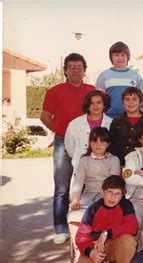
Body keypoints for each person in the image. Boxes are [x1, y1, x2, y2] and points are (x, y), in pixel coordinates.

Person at [40, 53, 95, 244]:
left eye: (79, 66)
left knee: (87, 186)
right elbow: (45, 116)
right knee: (62, 187)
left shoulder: (91, 90)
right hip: (63, 142)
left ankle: (85, 226)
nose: (75, 69)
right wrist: (61, 132)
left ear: (84, 69)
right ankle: (61, 228)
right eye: (71, 66)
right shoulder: (54, 91)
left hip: (87, 143)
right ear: (65, 70)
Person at [75, 175, 138, 263]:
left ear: (122, 195)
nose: (113, 197)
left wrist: (107, 233)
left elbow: (133, 227)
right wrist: (90, 252)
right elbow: (81, 236)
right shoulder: (93, 208)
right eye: (109, 192)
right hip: (96, 246)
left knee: (128, 240)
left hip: (115, 245)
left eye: (117, 193)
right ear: (102, 192)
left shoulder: (126, 205)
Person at [69, 127, 121, 213]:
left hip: (108, 194)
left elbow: (113, 184)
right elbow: (78, 182)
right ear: (89, 143)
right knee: (74, 212)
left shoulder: (114, 160)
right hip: (88, 193)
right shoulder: (84, 160)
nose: (98, 145)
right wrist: (75, 199)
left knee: (101, 212)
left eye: (102, 142)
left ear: (108, 144)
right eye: (94, 141)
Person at [65, 90, 113, 172]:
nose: (95, 106)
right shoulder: (75, 124)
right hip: (81, 168)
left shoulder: (112, 123)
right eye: (91, 103)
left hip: (105, 168)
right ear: (87, 105)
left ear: (104, 104)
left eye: (98, 102)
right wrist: (80, 158)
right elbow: (70, 146)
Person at [96, 41, 143, 119]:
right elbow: (99, 98)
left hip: (131, 116)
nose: (120, 58)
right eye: (116, 55)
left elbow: (142, 97)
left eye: (123, 55)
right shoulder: (104, 75)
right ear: (111, 57)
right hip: (109, 116)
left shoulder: (135, 76)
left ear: (127, 57)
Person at [109, 87, 143, 166]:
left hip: (140, 165)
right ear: (123, 103)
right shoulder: (116, 122)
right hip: (119, 164)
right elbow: (111, 145)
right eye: (127, 99)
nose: (130, 102)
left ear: (140, 102)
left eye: (134, 99)